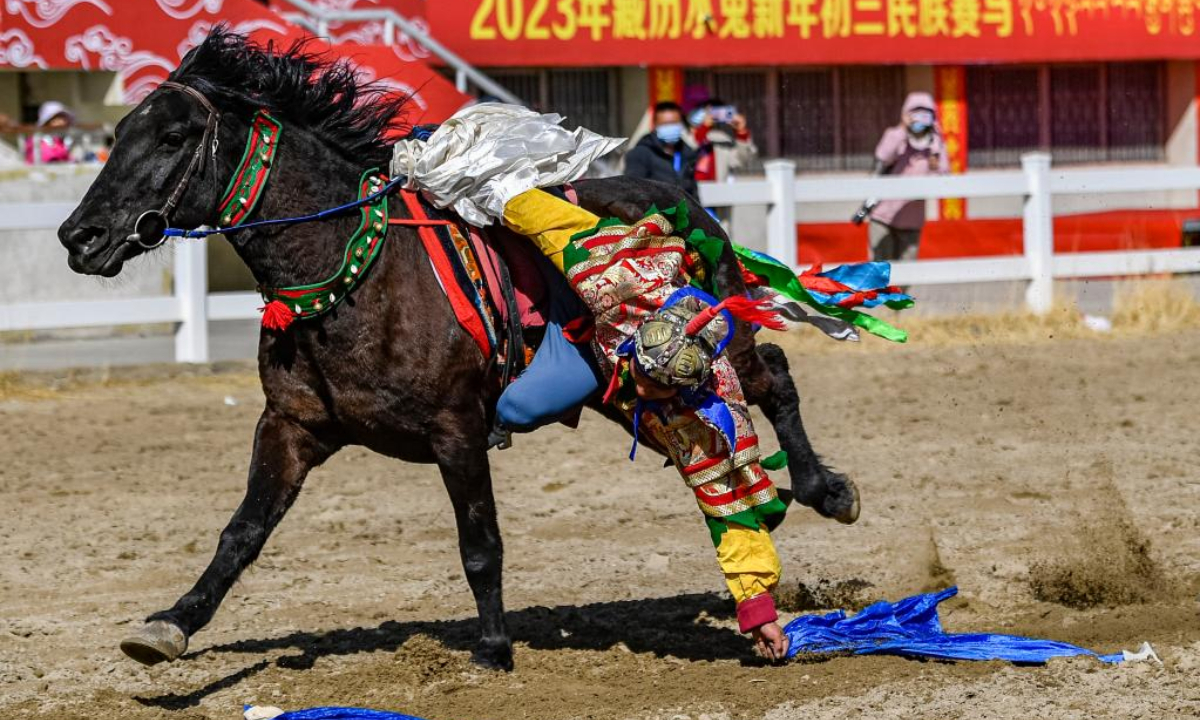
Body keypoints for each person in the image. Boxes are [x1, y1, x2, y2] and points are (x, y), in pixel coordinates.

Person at [393, 104, 912, 660]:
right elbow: (523, 205)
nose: (643, 391)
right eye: (643, 378)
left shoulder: (711, 413)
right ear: (635, 348)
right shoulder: (601, 273)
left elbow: (729, 509)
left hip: (623, 342)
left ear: (688, 388)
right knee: (517, 395)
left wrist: (757, 610)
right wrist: (443, 162)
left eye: (656, 391)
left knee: (529, 413)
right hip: (587, 326)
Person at [852, 92, 949, 261]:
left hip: (912, 221)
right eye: (915, 114)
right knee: (880, 271)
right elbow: (882, 156)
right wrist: (903, 129)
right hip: (883, 217)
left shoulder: (935, 144)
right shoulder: (895, 135)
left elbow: (943, 175)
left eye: (925, 115)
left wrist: (936, 144)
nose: (920, 120)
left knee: (906, 273)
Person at [623, 101, 699, 197]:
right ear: (654, 125)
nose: (670, 128)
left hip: (684, 210)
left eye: (674, 123)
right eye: (665, 124)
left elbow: (693, 191)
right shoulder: (640, 153)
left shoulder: (688, 153)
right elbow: (633, 190)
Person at [690, 99, 758, 184]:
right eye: (706, 113)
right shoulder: (684, 135)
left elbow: (741, 161)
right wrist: (704, 127)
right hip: (687, 193)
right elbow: (693, 146)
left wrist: (741, 132)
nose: (711, 116)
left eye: (716, 113)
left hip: (716, 191)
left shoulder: (723, 140)